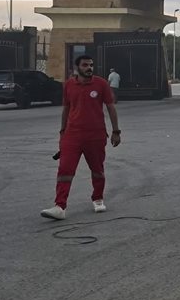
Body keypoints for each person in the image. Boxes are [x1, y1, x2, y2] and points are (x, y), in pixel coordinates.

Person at [41, 55, 121, 220]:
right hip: (72, 135)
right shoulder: (69, 85)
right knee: (65, 169)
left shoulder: (101, 84)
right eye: (85, 65)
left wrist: (116, 131)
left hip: (96, 135)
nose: (89, 68)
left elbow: (111, 107)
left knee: (97, 170)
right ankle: (60, 206)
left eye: (91, 65)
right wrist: (62, 132)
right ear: (77, 67)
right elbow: (66, 109)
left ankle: (98, 199)